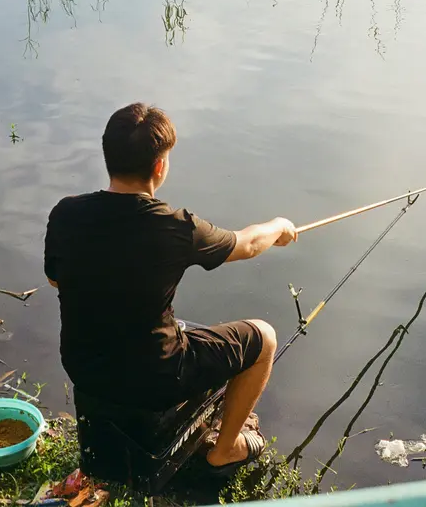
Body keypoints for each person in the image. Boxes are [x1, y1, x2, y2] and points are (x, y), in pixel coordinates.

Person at [44, 103, 297, 473]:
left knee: (178, 329)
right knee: (264, 338)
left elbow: (55, 278)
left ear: (108, 157)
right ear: (160, 166)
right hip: (154, 378)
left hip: (83, 367)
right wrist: (280, 225)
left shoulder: (65, 213)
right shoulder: (176, 228)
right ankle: (224, 450)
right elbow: (248, 244)